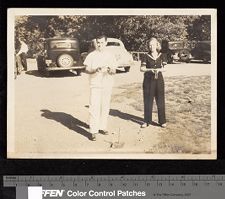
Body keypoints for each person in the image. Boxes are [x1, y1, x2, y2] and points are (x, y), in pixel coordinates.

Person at [83, 35, 117, 141]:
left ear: (106, 43)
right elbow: (86, 69)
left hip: (107, 84)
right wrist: (95, 70)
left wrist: (109, 69)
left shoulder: (111, 55)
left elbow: (114, 71)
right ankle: (93, 131)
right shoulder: (92, 55)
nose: (99, 44)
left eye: (102, 42)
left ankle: (102, 127)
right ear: (95, 43)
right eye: (98, 42)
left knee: (105, 106)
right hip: (95, 84)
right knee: (94, 107)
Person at [140, 37, 167, 128]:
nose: (151, 47)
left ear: (157, 45)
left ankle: (162, 121)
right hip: (148, 81)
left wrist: (158, 70)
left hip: (159, 80)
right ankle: (146, 121)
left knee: (160, 100)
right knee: (148, 101)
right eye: (150, 45)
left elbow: (165, 68)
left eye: (153, 45)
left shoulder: (162, 55)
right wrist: (150, 69)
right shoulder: (145, 56)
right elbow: (142, 69)